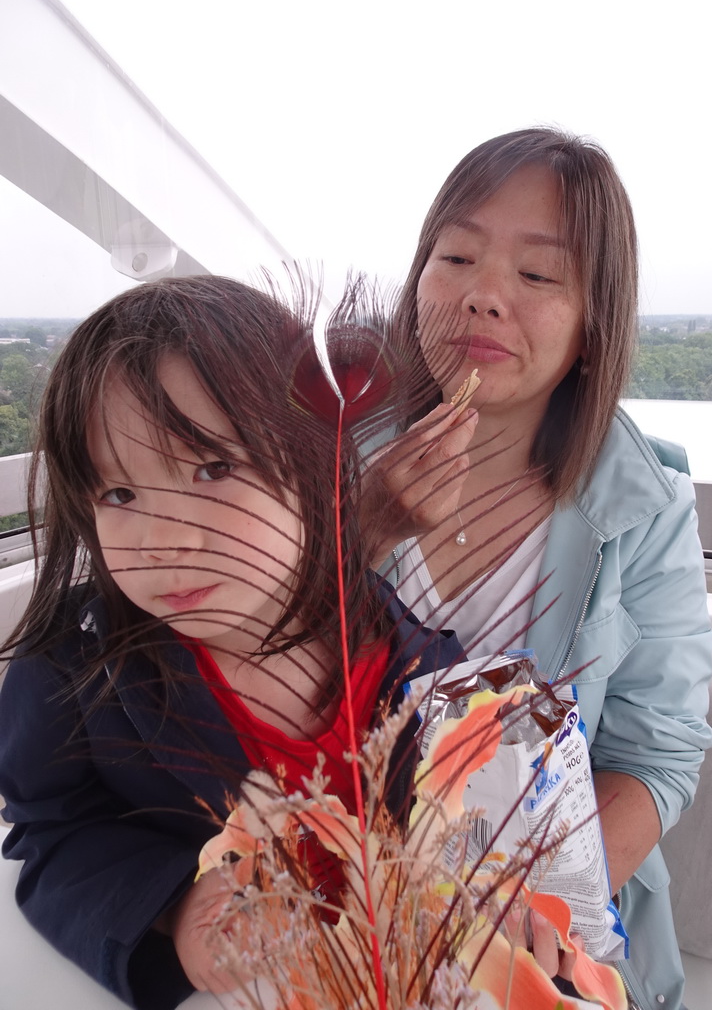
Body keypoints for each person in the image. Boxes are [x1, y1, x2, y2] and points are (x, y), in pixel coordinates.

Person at [0, 276, 463, 1010]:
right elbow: (51, 831)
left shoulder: (420, 665)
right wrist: (172, 910)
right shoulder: (71, 670)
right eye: (119, 494)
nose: (165, 541)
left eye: (212, 469)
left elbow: (469, 824)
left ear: (314, 467)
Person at [371, 128, 712, 1010]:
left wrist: (529, 908)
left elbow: (656, 753)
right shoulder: (329, 461)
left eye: (536, 275)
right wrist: (362, 530)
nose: (483, 296)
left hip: (547, 940)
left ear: (593, 324)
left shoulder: (644, 504)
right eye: (456, 256)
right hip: (351, 919)